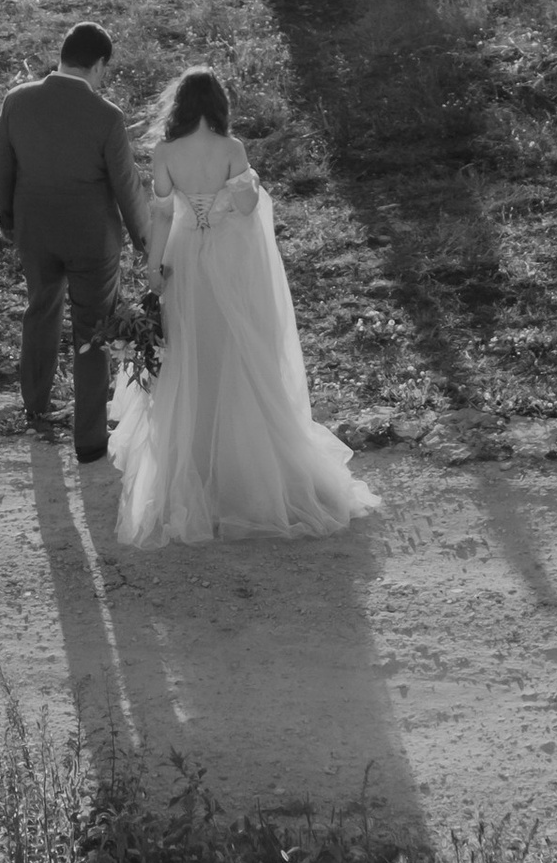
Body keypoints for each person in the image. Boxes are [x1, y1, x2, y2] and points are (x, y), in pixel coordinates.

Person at [107, 65, 382, 547]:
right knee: (236, 351)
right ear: (217, 105)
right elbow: (251, 210)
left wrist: (153, 271)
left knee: (192, 356)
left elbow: (162, 212)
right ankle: (244, 471)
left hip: (184, 260)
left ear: (179, 105)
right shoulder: (232, 149)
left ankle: (192, 469)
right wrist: (246, 184)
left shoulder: (166, 152)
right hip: (229, 266)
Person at [0, 20, 153, 460]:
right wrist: (145, 240)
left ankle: (36, 406)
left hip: (36, 232)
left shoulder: (18, 101)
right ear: (99, 64)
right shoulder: (106, 116)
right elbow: (126, 185)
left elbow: (1, 166)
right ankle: (89, 440)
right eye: (105, 69)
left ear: (61, 56)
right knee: (91, 332)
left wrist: (8, 219)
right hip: (91, 241)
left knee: (40, 309)